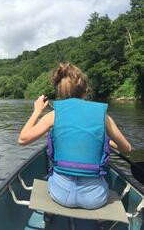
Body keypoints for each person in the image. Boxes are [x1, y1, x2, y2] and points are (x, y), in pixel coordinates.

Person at [18, 62, 131, 210]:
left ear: (60, 92)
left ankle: (51, 214)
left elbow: (22, 140)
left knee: (51, 178)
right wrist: (106, 141)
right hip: (94, 199)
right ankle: (100, 222)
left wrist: (37, 110)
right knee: (103, 184)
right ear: (85, 90)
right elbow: (127, 149)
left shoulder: (54, 115)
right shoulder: (103, 116)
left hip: (61, 195)